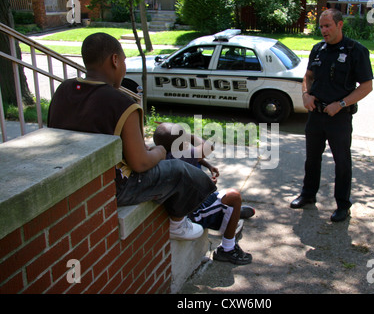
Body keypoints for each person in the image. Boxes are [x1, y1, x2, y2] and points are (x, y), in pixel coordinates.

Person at [47, 33, 217, 240]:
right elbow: (140, 164)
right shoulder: (123, 103)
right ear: (115, 60)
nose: (124, 67)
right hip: (115, 186)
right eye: (124, 60)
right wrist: (160, 152)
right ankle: (178, 224)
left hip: (73, 178)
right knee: (182, 171)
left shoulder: (63, 90)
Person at [290, 9, 373, 222]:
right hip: (316, 115)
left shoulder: (356, 50)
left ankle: (343, 205)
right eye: (321, 26)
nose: (323, 30)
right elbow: (307, 77)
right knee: (312, 160)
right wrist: (306, 95)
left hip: (340, 118)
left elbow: (366, 86)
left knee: (342, 162)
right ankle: (308, 195)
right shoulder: (317, 49)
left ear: (340, 25)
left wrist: (342, 103)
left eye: (328, 26)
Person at [153, 122, 254, 265]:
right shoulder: (180, 156)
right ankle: (227, 248)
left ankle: (230, 212)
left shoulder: (167, 155)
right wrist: (190, 135)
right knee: (234, 196)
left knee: (228, 199)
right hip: (194, 211)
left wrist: (208, 166)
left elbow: (196, 158)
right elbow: (208, 146)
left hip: (194, 199)